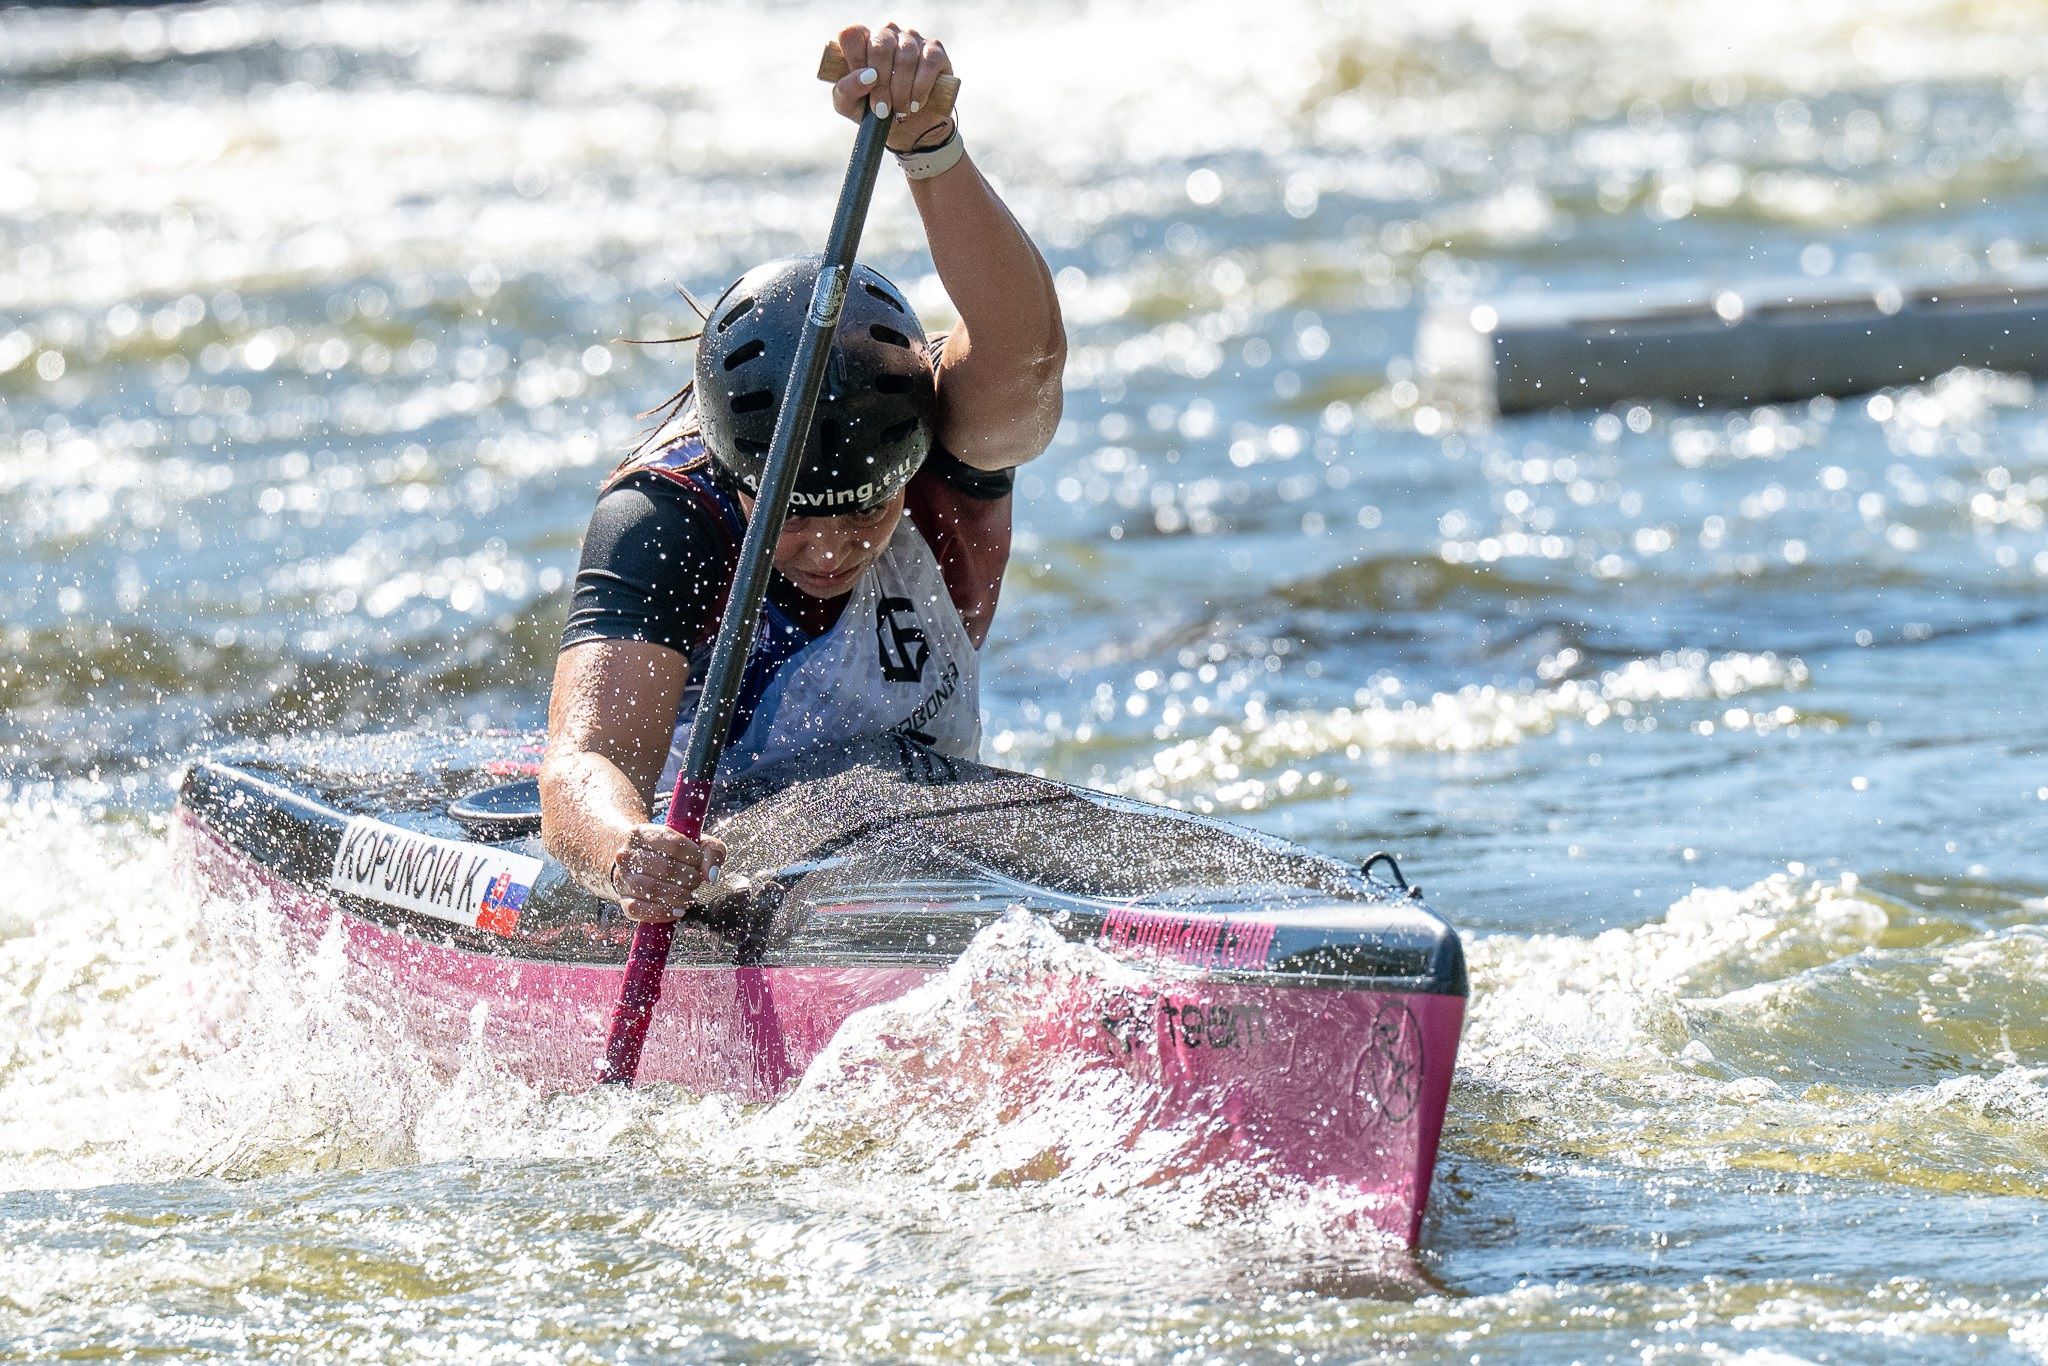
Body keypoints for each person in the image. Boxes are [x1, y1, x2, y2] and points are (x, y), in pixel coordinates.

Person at [540, 23, 1066, 928]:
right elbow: (583, 764)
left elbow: (1028, 357)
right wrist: (626, 849)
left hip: (926, 830)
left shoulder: (946, 451)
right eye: (787, 514)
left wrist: (931, 150)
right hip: (710, 851)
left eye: (864, 508)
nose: (829, 545)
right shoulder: (664, 514)